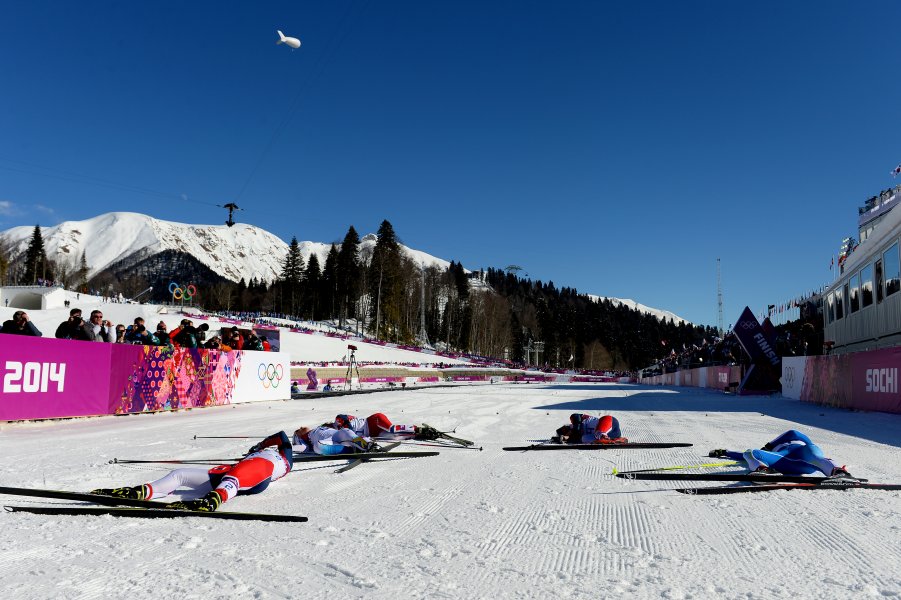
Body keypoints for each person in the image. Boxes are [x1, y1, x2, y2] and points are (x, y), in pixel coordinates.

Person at [91, 431, 294, 512]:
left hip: (258, 475)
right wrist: (255, 450)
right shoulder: (251, 458)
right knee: (180, 475)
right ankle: (140, 492)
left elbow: (282, 438)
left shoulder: (284, 460)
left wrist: (262, 445)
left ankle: (212, 501)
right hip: (233, 474)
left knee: (240, 472)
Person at [708, 430, 853, 477]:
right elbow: (794, 433)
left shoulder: (770, 449)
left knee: (750, 452)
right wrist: (726, 452)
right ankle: (836, 470)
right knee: (817, 458)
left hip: (787, 461)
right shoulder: (771, 450)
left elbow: (793, 433)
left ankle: (761, 469)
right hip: (801, 460)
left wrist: (769, 445)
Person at [333, 413, 440, 441]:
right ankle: (416, 434)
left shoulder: (338, 420)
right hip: (373, 433)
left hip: (373, 421)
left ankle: (418, 429)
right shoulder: (337, 435)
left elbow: (345, 420)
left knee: (391, 428)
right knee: (394, 437)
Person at [292, 424, 378, 455]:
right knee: (318, 447)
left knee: (346, 431)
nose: (301, 427)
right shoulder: (304, 439)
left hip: (337, 435)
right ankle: (351, 450)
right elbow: (299, 448)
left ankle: (367, 444)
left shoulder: (317, 428)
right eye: (298, 430)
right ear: (298, 437)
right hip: (328, 442)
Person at [553, 414, 626, 444]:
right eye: (565, 432)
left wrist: (570, 434)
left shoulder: (576, 421)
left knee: (598, 433)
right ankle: (615, 440)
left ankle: (604, 436)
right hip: (613, 434)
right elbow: (576, 437)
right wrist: (564, 439)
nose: (567, 432)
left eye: (565, 429)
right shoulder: (576, 435)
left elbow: (576, 417)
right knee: (585, 439)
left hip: (609, 422)